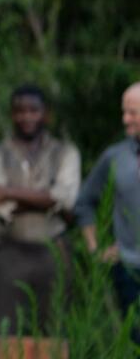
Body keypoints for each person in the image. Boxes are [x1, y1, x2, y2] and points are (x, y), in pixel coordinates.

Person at [0, 84, 79, 346]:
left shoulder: (65, 152)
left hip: (53, 251)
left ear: (45, 114)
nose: (27, 117)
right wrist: (45, 199)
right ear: (12, 114)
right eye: (20, 111)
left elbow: (65, 198)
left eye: (33, 110)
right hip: (9, 250)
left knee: (55, 332)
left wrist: (9, 192)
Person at [76, 81, 140, 336]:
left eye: (132, 112)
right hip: (130, 269)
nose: (125, 119)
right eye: (124, 112)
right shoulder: (115, 157)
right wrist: (95, 248)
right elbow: (84, 203)